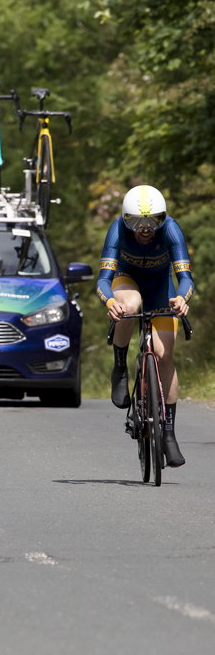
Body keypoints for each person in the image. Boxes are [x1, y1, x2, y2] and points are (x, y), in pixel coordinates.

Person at [96, 185, 194, 467]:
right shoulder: (116, 231)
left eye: (154, 220)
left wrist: (182, 298)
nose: (145, 228)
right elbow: (104, 280)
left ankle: (169, 434)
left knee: (164, 356)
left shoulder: (172, 230)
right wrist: (108, 302)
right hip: (127, 282)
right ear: (125, 219)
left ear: (163, 219)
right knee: (130, 305)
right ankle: (119, 367)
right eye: (135, 221)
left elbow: (185, 278)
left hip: (161, 287)